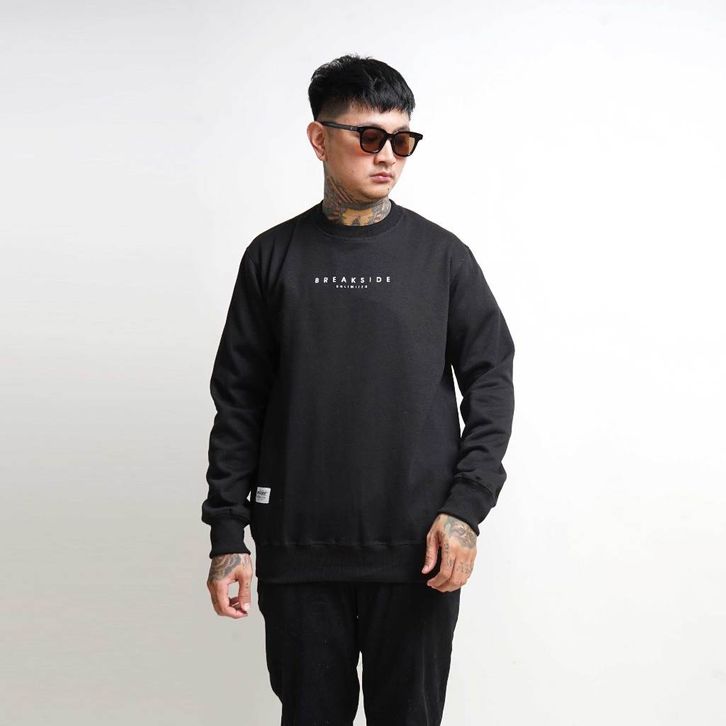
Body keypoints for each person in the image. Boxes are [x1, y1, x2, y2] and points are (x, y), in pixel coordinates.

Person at [201, 53, 516, 726]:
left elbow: (491, 381)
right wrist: (228, 534)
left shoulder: (443, 257)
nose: (388, 156)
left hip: (419, 551)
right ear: (320, 139)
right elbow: (238, 402)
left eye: (403, 140)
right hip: (297, 549)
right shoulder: (271, 257)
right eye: (369, 137)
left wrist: (465, 511)